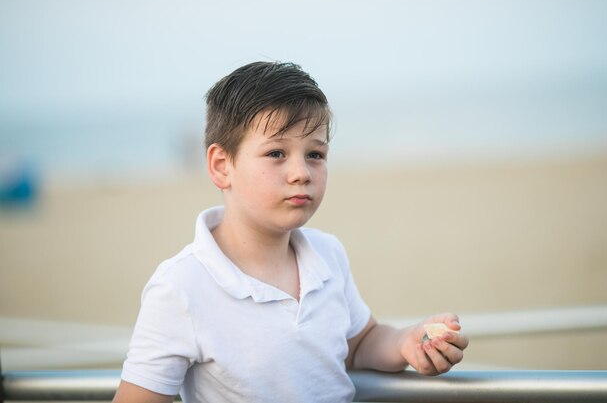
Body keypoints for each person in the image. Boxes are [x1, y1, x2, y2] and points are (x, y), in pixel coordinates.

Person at [113, 61, 469, 403]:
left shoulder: (328, 254)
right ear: (222, 166)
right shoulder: (182, 286)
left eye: (315, 154)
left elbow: (359, 344)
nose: (301, 172)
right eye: (277, 153)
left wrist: (407, 341)